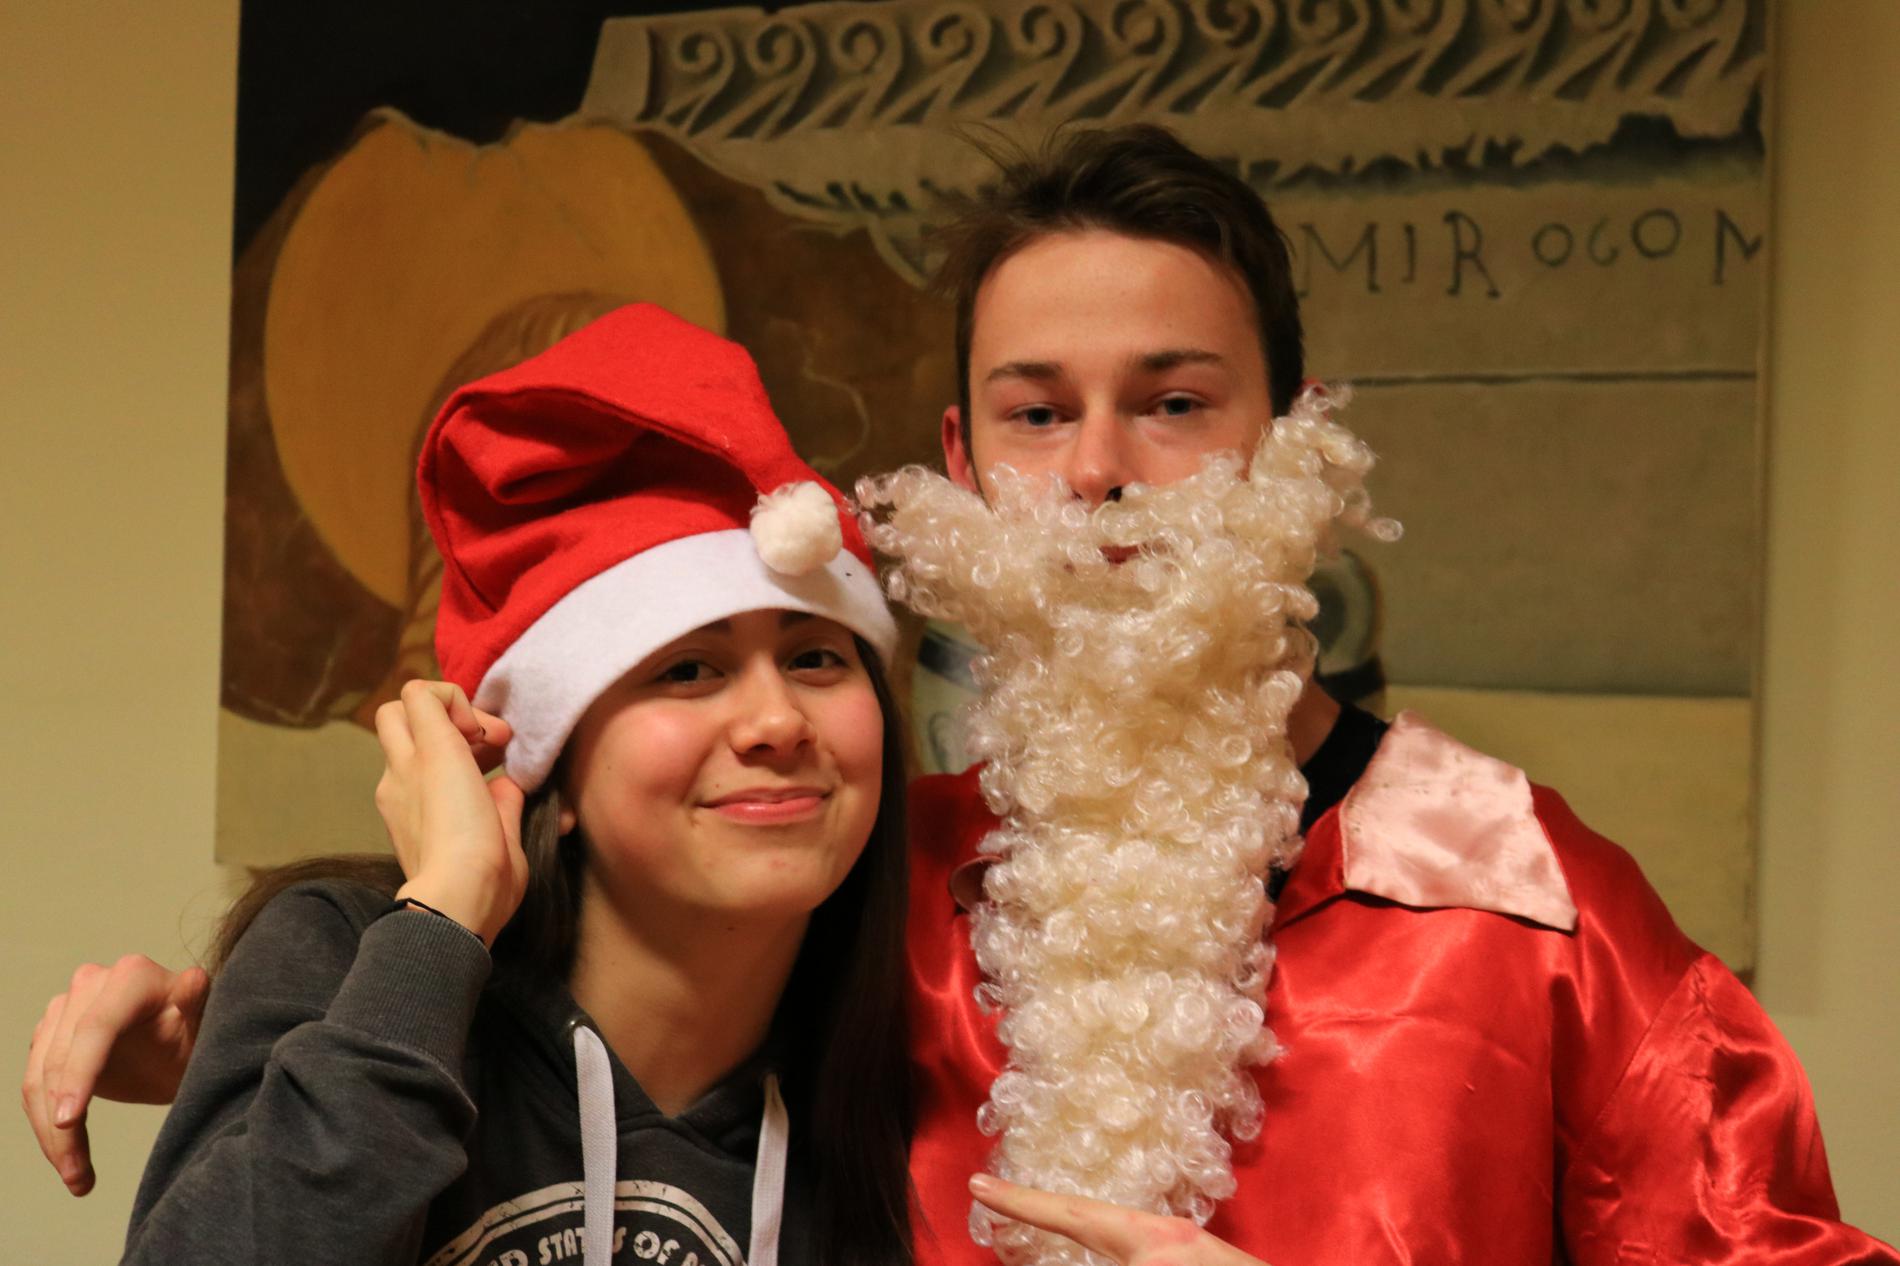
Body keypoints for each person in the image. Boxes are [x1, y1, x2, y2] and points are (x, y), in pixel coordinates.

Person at [25, 128, 1898, 1264]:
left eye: (1175, 402)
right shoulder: (864, 883)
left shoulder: (1530, 900)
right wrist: (268, 1025)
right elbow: (580, 1011)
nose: (1099, 473)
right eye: (1036, 411)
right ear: (958, 461)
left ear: (1294, 442)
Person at [44, 302, 915, 1266]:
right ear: (555, 767)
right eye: (687, 669)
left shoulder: (925, 1084)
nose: (778, 722)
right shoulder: (344, 963)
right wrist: (442, 921)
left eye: (817, 658)